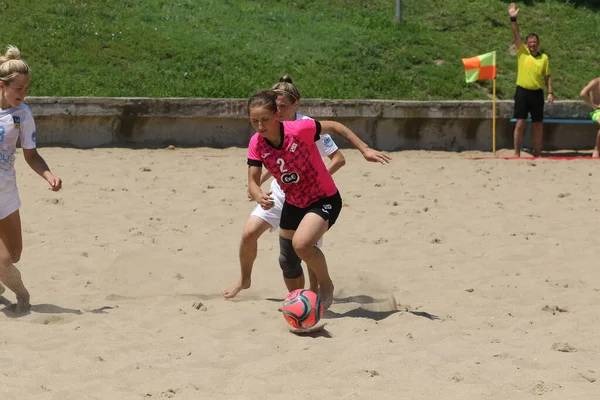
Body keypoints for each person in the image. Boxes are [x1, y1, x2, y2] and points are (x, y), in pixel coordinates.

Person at [244, 90, 390, 309]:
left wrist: (364, 148)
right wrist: (259, 195)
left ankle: (325, 284)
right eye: (254, 121)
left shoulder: (300, 129)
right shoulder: (256, 143)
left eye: (265, 119)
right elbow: (252, 182)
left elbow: (336, 127)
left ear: (276, 115)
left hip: (324, 198)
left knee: (302, 245)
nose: (260, 126)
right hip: (294, 202)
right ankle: (301, 305)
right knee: (287, 260)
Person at [222, 75, 346, 299]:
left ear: (296, 104)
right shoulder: (267, 130)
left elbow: (338, 158)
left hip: (313, 197)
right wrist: (257, 187)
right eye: (274, 106)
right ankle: (245, 279)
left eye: (282, 107)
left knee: (305, 249)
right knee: (250, 234)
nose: (277, 112)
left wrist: (314, 180)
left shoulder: (305, 127)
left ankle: (314, 294)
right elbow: (275, 160)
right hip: (280, 194)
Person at [0, 45, 62, 312]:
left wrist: (48, 175)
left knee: (14, 255)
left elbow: (31, 155)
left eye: (26, 88)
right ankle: (23, 296)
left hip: (6, 192)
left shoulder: (22, 115)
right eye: (18, 89)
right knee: (3, 261)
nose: (23, 94)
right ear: (2, 86)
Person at [508, 3, 554, 157]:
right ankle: (516, 153)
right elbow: (516, 34)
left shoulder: (544, 58)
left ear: (538, 43)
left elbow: (547, 76)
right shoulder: (522, 53)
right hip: (522, 92)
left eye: (535, 42)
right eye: (530, 42)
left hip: (537, 94)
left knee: (538, 125)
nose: (532, 44)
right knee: (520, 123)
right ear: (527, 44)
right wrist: (513, 18)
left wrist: (550, 93)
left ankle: (537, 151)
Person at [579, 77, 600, 157]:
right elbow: (583, 93)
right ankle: (597, 149)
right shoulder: (596, 82)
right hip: (597, 111)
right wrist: (593, 105)